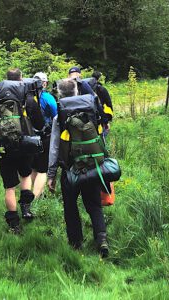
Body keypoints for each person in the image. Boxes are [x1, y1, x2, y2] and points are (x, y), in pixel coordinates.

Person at [47, 78, 109, 257]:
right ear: (76, 92)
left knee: (70, 206)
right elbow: (100, 140)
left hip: (70, 169)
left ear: (59, 94)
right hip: (92, 165)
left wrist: (51, 174)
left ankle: (76, 245)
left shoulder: (60, 117)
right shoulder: (91, 111)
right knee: (94, 204)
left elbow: (54, 148)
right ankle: (102, 239)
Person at [0, 68, 44, 234]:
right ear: (21, 79)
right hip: (23, 143)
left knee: (9, 187)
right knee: (26, 175)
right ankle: (26, 208)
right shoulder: (28, 98)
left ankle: (14, 224)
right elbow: (39, 122)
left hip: (4, 145)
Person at [31, 72, 57, 199]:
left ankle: (34, 193)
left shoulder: (26, 97)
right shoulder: (48, 98)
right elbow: (56, 116)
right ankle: (35, 199)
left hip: (29, 137)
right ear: (44, 83)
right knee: (42, 169)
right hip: (44, 136)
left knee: (33, 167)